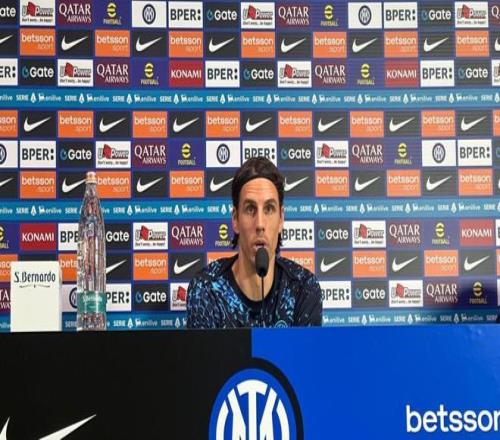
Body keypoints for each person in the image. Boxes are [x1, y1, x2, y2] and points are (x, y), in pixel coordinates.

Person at [187, 157, 322, 328]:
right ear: (235, 219)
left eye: (269, 209)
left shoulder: (303, 288)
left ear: (281, 219)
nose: (260, 224)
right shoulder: (207, 289)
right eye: (250, 209)